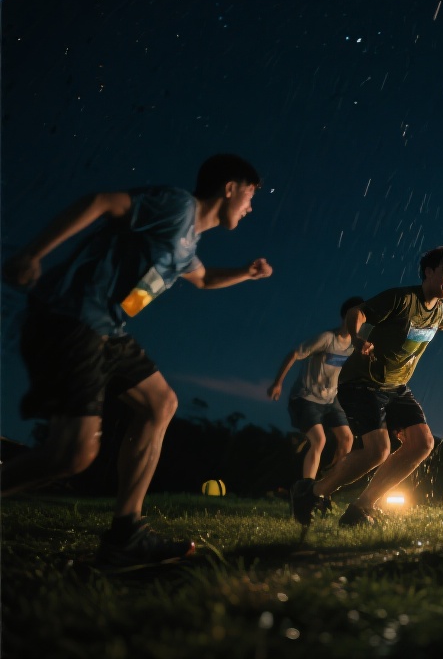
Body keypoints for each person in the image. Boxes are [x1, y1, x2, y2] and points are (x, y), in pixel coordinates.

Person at [1, 154, 273, 566]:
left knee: (160, 403)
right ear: (230, 187)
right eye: (251, 195)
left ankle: (125, 534)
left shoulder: (187, 243)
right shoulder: (176, 205)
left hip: (108, 330)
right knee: (70, 456)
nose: (251, 207)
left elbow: (202, 279)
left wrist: (245, 273)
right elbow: (100, 202)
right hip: (72, 317)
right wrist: (33, 253)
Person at [289, 246, 443, 527]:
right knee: (377, 451)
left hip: (397, 387)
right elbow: (357, 312)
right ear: (429, 272)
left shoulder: (441, 313)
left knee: (422, 443)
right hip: (363, 383)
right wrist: (356, 339)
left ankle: (361, 509)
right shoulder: (402, 299)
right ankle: (311, 493)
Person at [267, 296, 365, 482]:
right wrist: (278, 383)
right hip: (306, 398)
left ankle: (328, 484)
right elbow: (295, 353)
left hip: (330, 400)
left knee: (347, 439)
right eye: (359, 317)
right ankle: (306, 490)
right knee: (319, 440)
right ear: (348, 317)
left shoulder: (355, 346)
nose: (361, 323)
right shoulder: (327, 339)